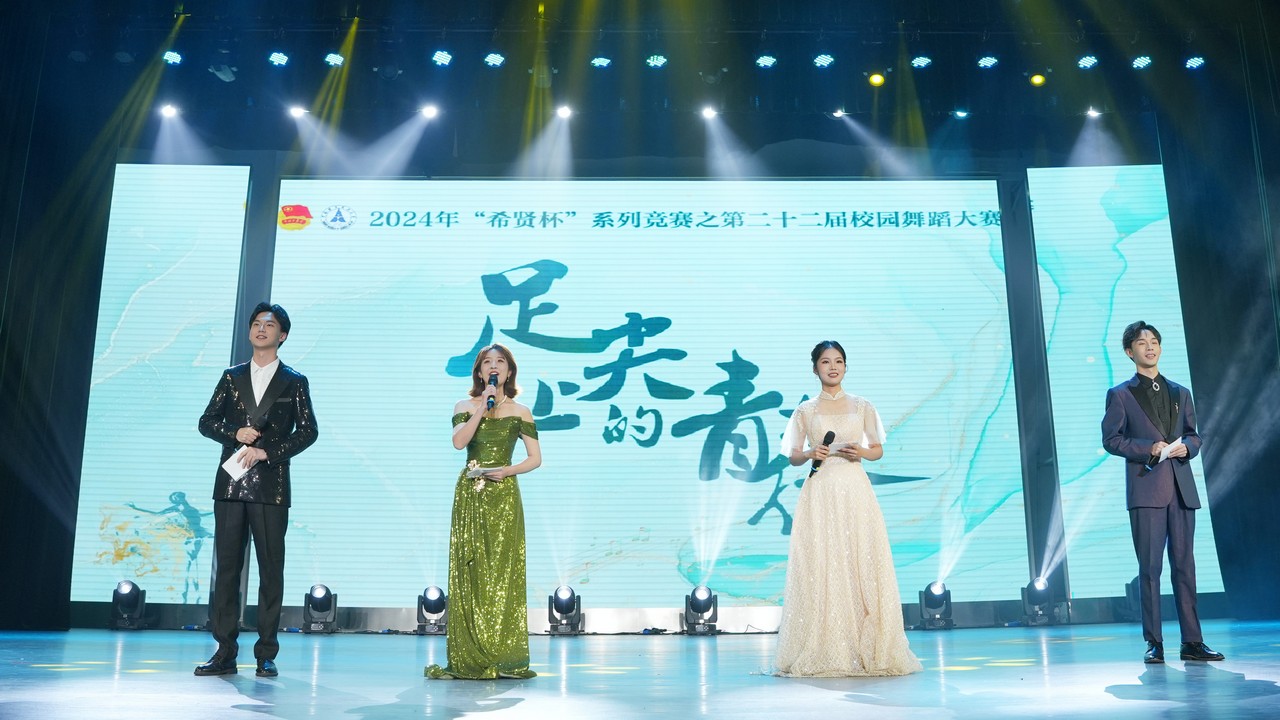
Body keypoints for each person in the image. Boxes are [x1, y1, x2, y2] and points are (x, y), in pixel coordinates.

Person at [773, 341, 921, 677]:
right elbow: (793, 455)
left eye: (838, 361)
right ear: (815, 368)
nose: (833, 367)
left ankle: (866, 646)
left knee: (860, 559)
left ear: (845, 367)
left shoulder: (862, 405)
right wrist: (810, 453)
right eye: (826, 362)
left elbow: (877, 449)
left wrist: (861, 452)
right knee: (824, 562)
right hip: (821, 491)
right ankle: (827, 644)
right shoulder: (805, 411)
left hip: (855, 489)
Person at [194, 302, 319, 678]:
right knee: (227, 570)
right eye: (256, 324)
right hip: (231, 483)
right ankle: (224, 651)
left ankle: (266, 653)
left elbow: (308, 431)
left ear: (283, 335)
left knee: (271, 570)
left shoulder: (294, 380)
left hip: (271, 484)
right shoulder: (231, 377)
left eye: (270, 324)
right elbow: (206, 421)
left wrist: (268, 452)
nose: (261, 329)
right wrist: (234, 432)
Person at [1102, 320, 1224, 664]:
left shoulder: (1180, 392)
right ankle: (1154, 642)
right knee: (1150, 569)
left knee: (1185, 567)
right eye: (1142, 343)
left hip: (1181, 490)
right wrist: (1148, 448)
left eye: (1154, 341)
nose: (1150, 347)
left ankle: (1192, 642)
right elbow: (1111, 440)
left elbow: (1194, 434)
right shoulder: (1120, 395)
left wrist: (1189, 446)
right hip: (1147, 490)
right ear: (1130, 352)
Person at [426, 343, 541, 680]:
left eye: (500, 362)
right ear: (479, 372)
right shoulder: (464, 406)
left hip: (504, 496)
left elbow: (535, 459)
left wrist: (507, 471)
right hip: (471, 495)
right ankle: (470, 654)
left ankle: (503, 654)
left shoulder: (521, 412)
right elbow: (459, 442)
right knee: (471, 570)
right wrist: (482, 407)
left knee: (503, 574)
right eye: (487, 362)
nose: (494, 366)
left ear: (509, 371)